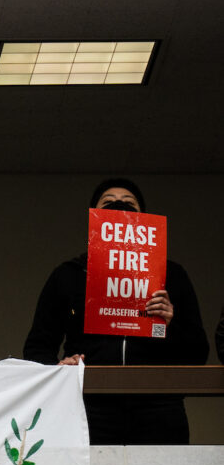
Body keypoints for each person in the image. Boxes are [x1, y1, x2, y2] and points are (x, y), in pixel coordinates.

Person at [23, 179, 208, 444]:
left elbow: (198, 355)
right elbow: (37, 348)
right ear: (94, 218)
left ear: (144, 220)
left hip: (159, 410)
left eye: (130, 204)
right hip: (87, 407)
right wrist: (59, 368)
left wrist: (171, 322)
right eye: (108, 203)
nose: (119, 206)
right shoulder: (68, 276)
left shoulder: (173, 276)